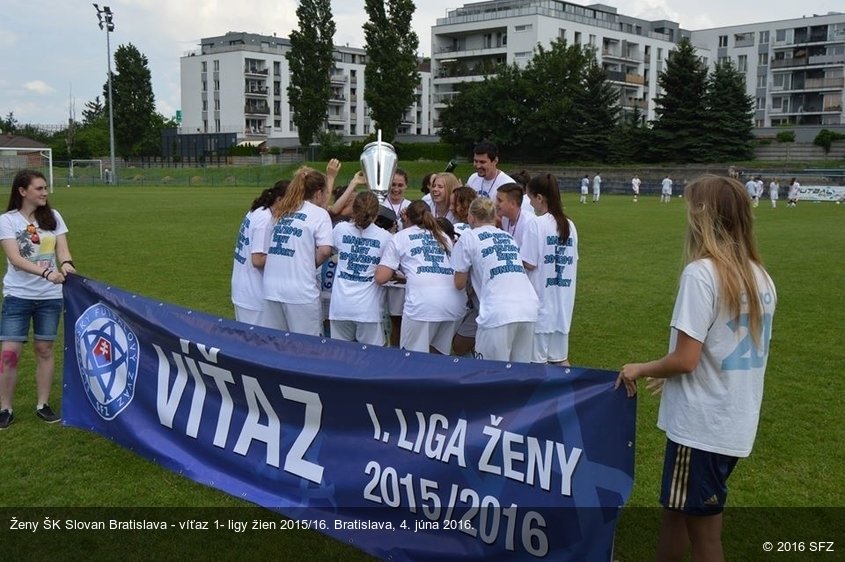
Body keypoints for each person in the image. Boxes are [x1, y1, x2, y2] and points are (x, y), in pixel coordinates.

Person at [615, 175, 777, 562]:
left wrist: (642, 367)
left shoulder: (702, 273)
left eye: (692, 207)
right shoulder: (760, 275)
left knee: (706, 536)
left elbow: (686, 359)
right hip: (731, 419)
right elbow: (713, 351)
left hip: (702, 428)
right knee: (676, 513)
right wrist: (664, 371)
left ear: (703, 215)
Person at [0, 170, 76, 428]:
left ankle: (43, 404)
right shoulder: (8, 220)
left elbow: (62, 249)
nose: (45, 192)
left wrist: (66, 264)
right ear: (22, 191)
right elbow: (15, 259)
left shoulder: (54, 217)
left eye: (46, 188)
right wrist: (46, 272)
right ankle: (5, 408)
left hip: (50, 298)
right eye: (39, 188)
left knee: (44, 350)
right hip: (18, 296)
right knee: (10, 354)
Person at [452, 198, 538, 362]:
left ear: (471, 217)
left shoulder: (469, 237)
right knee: (520, 373)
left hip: (498, 312)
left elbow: (459, 283)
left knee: (490, 373)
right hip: (528, 308)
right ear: (493, 217)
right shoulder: (507, 237)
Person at [375, 201, 465, 354]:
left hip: (423, 305)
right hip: (454, 304)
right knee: (438, 356)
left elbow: (381, 278)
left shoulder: (400, 237)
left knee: (411, 358)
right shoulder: (443, 236)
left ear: (407, 219)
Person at [262, 167, 333, 336]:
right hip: (300, 291)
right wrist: (310, 263)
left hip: (272, 289)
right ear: (318, 193)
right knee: (307, 347)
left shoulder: (281, 211)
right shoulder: (319, 214)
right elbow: (324, 250)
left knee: (276, 344)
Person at [523, 173, 579, 365]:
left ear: (539, 198)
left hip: (541, 305)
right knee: (561, 361)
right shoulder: (570, 225)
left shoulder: (535, 224)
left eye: (530, 198)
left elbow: (528, 262)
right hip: (562, 305)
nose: (530, 204)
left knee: (537, 365)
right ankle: (568, 395)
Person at [329, 191, 392, 346]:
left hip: (340, 306)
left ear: (353, 209)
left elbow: (333, 251)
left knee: (340, 354)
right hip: (367, 310)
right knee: (371, 358)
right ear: (376, 213)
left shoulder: (340, 229)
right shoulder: (385, 237)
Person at [231, 180, 286, 326]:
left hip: (243, 289)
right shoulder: (265, 220)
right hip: (254, 295)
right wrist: (284, 255)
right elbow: (257, 260)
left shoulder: (257, 211)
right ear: (279, 199)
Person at [496, 183, 540, 252]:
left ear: (513, 204)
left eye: (500, 200)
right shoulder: (505, 219)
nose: (496, 204)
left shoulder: (529, 224)